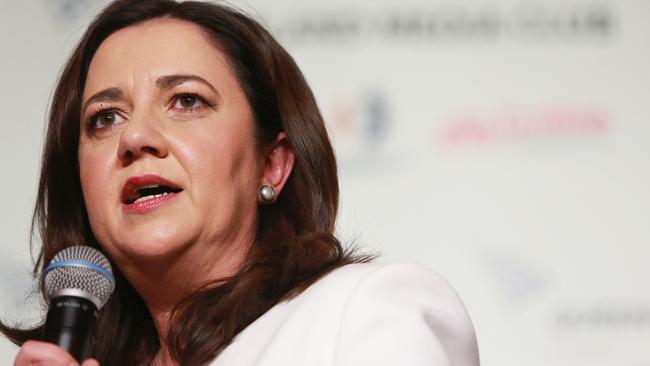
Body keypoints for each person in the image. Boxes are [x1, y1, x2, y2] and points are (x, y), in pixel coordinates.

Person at [1, 0, 480, 365]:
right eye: (105, 117)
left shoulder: (366, 311)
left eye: (187, 101)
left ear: (271, 165)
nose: (136, 137)